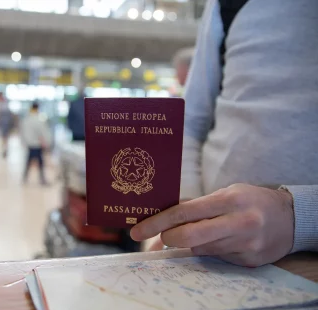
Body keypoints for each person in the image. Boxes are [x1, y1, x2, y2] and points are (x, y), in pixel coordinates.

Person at [130, 0, 318, 267]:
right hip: (210, 249)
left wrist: (299, 217)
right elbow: (190, 120)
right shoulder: (227, 4)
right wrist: (186, 209)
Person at [21, 102, 51, 185]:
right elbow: (43, 133)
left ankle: (25, 178)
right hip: (37, 144)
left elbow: (22, 132)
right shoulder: (39, 119)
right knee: (40, 162)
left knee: (28, 161)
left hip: (30, 144)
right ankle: (42, 179)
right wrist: (47, 143)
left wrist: (24, 142)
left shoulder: (26, 119)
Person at [0, 92, 15, 158]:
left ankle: (5, 149)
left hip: (6, 123)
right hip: (2, 123)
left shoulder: (5, 105)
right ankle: (4, 149)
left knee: (5, 138)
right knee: (3, 138)